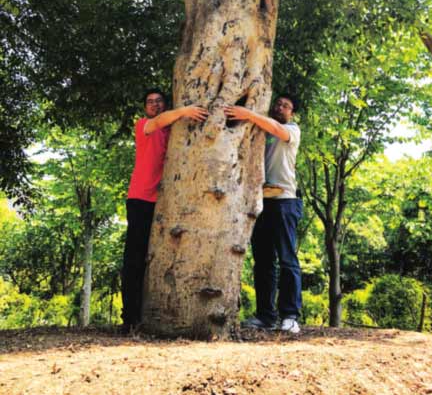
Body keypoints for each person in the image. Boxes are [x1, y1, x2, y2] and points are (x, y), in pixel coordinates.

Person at [121, 88, 208, 332]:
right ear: (145, 108)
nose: (155, 105)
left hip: (166, 202)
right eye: (150, 102)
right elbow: (158, 121)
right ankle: (129, 316)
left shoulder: (173, 130)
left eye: (159, 101)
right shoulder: (144, 125)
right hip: (140, 199)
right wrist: (185, 111)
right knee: (135, 257)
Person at [224, 93, 302, 334]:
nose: (280, 107)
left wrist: (248, 114)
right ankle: (266, 316)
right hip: (260, 202)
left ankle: (290, 316)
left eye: (286, 106)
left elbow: (278, 129)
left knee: (288, 260)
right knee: (264, 262)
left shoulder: (291, 130)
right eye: (278, 104)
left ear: (292, 113)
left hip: (284, 201)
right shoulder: (260, 132)